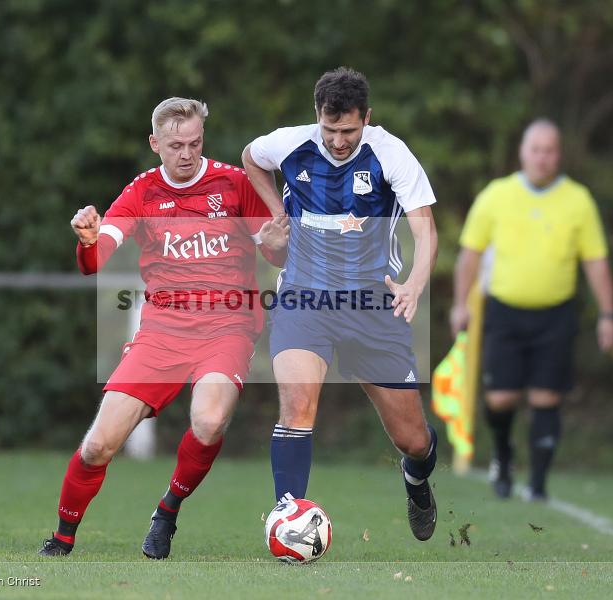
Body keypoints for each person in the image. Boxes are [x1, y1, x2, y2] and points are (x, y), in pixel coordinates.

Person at [38, 97, 288, 559]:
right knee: (98, 445)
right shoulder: (141, 193)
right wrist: (88, 239)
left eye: (194, 143)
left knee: (210, 419)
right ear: (155, 143)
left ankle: (167, 511)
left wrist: (276, 245)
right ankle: (62, 538)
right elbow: (94, 261)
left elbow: (274, 251)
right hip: (162, 333)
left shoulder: (234, 184)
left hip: (227, 327)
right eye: (176, 145)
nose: (187, 153)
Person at [242, 67, 440, 541]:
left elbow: (425, 228)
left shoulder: (390, 154)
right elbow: (251, 156)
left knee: (413, 441)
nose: (338, 141)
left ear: (366, 119)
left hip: (373, 305)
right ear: (318, 117)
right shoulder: (292, 143)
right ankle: (287, 522)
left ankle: (416, 481)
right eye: (330, 130)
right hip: (304, 297)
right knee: (296, 406)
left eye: (348, 130)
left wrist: (414, 283)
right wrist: (276, 211)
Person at [451, 119, 613, 500]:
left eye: (550, 150)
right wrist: (460, 305)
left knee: (547, 397)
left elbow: (596, 262)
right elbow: (469, 255)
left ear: (559, 155)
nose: (542, 158)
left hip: (555, 314)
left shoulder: (578, 200)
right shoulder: (497, 195)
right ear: (523, 152)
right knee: (501, 398)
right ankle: (503, 454)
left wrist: (609, 315)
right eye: (536, 150)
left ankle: (539, 484)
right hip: (504, 312)